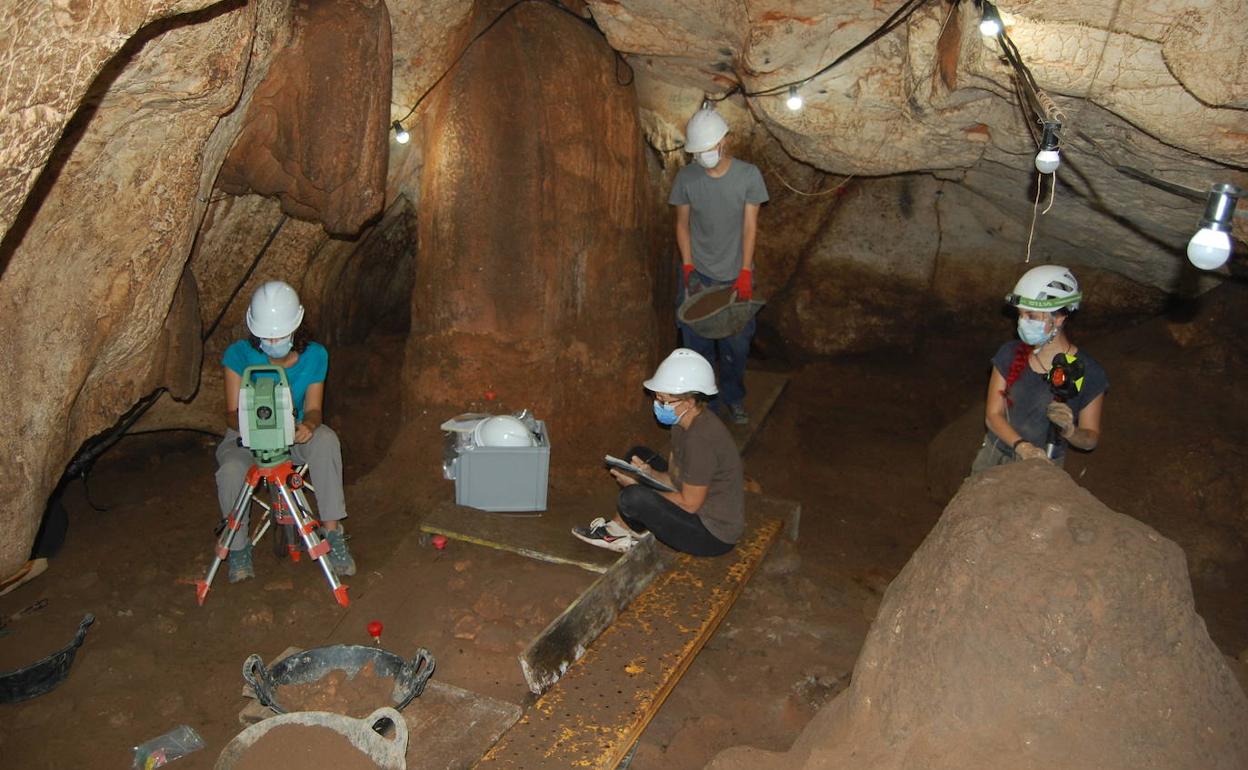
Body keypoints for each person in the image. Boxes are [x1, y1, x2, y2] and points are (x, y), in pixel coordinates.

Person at [214, 281, 356, 582]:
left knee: (326, 440)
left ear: (296, 327)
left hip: (293, 435)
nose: (274, 340)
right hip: (246, 437)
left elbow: (315, 408)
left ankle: (332, 535)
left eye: (280, 334)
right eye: (267, 336)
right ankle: (238, 550)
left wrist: (309, 425)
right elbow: (231, 414)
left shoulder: (316, 356)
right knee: (229, 470)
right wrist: (255, 430)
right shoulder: (238, 355)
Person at [572, 349, 744, 556]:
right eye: (657, 398)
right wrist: (649, 473)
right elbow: (676, 480)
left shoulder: (701, 440)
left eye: (665, 401)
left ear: (689, 402)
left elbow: (689, 504)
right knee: (637, 456)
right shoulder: (683, 424)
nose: (658, 405)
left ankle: (615, 533)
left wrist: (640, 488)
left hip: (712, 534)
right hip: (698, 505)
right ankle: (622, 529)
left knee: (633, 497)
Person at [670, 106, 769, 425]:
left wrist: (744, 272)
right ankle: (705, 407)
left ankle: (734, 397)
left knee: (736, 346)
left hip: (734, 275)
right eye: (698, 151)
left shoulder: (748, 175)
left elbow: (750, 226)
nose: (704, 155)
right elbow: (682, 224)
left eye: (709, 148)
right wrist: (687, 268)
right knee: (696, 347)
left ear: (724, 141)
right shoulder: (686, 177)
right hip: (697, 274)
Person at [971, 265, 1108, 473]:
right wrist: (1022, 447)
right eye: (1020, 314)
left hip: (1043, 468)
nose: (1022, 322)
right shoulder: (1010, 353)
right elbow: (993, 415)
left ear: (1059, 318)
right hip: (994, 459)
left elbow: (1090, 439)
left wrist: (1070, 431)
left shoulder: (1087, 370)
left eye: (1032, 315)